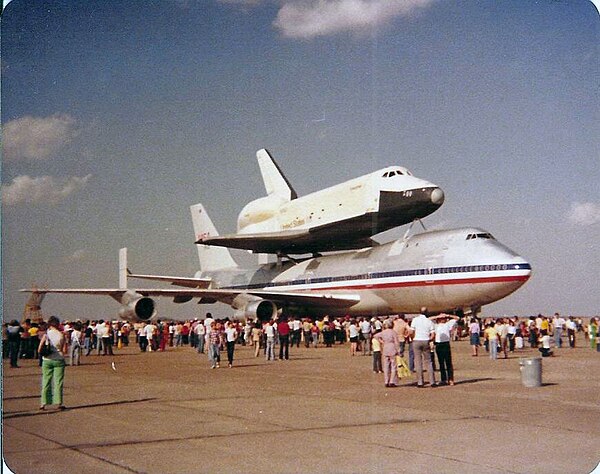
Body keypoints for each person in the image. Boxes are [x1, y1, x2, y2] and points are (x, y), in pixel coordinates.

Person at [38, 316, 67, 410]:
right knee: (58, 382)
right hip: (58, 359)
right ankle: (59, 403)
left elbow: (39, 349)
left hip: (47, 360)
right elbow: (64, 350)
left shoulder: (46, 335)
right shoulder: (61, 335)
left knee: (46, 381)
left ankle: (43, 403)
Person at [410, 307, 436, 388]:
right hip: (425, 340)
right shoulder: (429, 321)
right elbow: (433, 334)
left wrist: (412, 338)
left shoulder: (415, 320)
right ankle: (432, 381)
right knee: (428, 361)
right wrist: (429, 339)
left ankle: (420, 382)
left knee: (418, 361)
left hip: (417, 340)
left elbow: (411, 331)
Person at [433, 314, 458, 386]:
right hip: (438, 344)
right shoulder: (435, 325)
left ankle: (451, 379)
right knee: (441, 363)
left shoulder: (448, 324)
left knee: (448, 363)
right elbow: (428, 319)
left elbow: (457, 318)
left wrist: (448, 315)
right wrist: (437, 316)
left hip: (445, 344)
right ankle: (443, 379)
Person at [374, 320, 400, 387]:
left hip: (385, 348)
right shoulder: (393, 332)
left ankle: (386, 381)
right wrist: (398, 350)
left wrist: (382, 341)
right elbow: (396, 342)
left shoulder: (383, 332)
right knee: (393, 366)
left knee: (386, 366)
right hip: (392, 348)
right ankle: (392, 381)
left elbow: (375, 336)